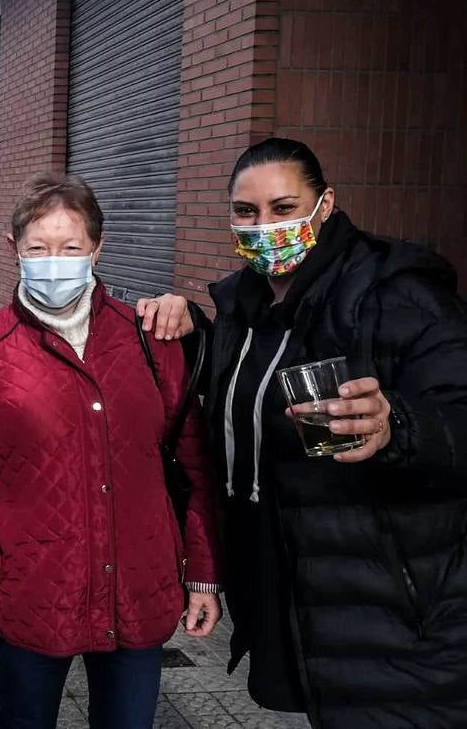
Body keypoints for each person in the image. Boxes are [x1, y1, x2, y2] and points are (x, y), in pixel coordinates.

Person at [138, 138, 467, 727]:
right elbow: (249, 393)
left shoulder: (396, 292)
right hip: (294, 587)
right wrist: (193, 332)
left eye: (284, 208)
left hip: (394, 608)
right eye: (246, 212)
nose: (264, 227)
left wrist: (398, 427)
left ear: (326, 204)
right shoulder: (242, 305)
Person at [0, 173, 221, 729]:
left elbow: (195, 466)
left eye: (71, 247)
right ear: (13, 248)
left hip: (138, 589)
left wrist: (204, 575)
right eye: (39, 247)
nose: (55, 261)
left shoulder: (149, 340)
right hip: (32, 592)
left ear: (98, 248)